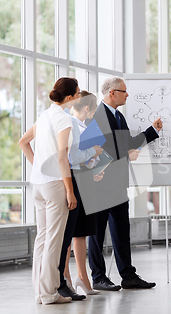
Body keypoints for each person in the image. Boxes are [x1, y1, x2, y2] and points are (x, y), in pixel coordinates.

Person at [88, 77, 162, 291]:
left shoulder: (118, 116)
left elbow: (127, 144)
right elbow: (102, 148)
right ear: (112, 92)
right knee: (97, 233)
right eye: (124, 91)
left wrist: (151, 131)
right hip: (100, 183)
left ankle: (128, 276)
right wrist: (126, 152)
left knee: (121, 230)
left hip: (118, 184)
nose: (127, 95)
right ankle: (98, 277)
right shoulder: (97, 115)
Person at [18, 77, 79, 305]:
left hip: (39, 185)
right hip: (54, 185)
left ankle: (40, 293)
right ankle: (50, 293)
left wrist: (39, 166)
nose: (79, 95)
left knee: (42, 239)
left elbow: (23, 142)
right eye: (78, 92)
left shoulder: (44, 116)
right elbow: (63, 158)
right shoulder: (64, 119)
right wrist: (69, 190)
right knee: (53, 241)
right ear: (70, 97)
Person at [57, 91, 104, 301]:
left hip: (83, 178)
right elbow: (72, 157)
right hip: (74, 179)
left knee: (82, 231)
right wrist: (94, 153)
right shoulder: (72, 125)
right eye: (92, 110)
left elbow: (86, 158)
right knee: (70, 233)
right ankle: (66, 277)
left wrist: (94, 164)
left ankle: (81, 276)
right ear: (87, 109)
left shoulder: (82, 126)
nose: (92, 114)